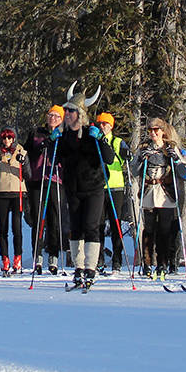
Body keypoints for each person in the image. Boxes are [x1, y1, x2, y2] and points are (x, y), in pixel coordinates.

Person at [59, 92, 114, 289]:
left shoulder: (92, 133)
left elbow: (109, 158)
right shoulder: (64, 136)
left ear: (80, 114)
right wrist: (52, 141)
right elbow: (54, 158)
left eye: (71, 111)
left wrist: (101, 139)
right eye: (66, 110)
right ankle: (78, 267)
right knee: (75, 229)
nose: (67, 113)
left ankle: (91, 268)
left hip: (93, 188)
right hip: (73, 189)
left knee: (91, 227)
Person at [132, 118, 186, 280]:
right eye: (150, 130)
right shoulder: (144, 148)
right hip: (149, 191)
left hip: (166, 193)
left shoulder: (170, 148)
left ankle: (163, 263)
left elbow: (183, 172)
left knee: (165, 229)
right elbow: (135, 171)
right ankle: (147, 263)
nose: (153, 133)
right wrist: (140, 159)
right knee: (149, 229)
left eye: (156, 130)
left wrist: (176, 159)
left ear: (163, 131)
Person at [24, 109, 67, 273]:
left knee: (54, 218)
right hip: (37, 179)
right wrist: (41, 145)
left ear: (61, 119)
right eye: (50, 115)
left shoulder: (64, 134)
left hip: (56, 179)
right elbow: (26, 152)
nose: (52, 118)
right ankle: (37, 254)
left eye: (56, 116)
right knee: (37, 218)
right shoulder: (36, 133)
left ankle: (53, 255)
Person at [0, 127, 30, 275]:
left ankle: (17, 258)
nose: (6, 141)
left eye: (9, 138)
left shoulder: (22, 152)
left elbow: (28, 175)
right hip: (1, 192)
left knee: (17, 228)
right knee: (2, 229)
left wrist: (23, 163)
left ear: (14, 139)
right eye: (4, 138)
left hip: (17, 192)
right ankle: (5, 258)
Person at [97, 112, 128, 274]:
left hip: (115, 186)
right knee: (98, 225)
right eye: (100, 124)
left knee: (116, 225)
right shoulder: (94, 141)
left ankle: (117, 260)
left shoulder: (117, 142)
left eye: (105, 124)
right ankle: (99, 259)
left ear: (111, 126)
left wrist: (126, 153)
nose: (102, 127)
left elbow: (124, 158)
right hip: (99, 187)